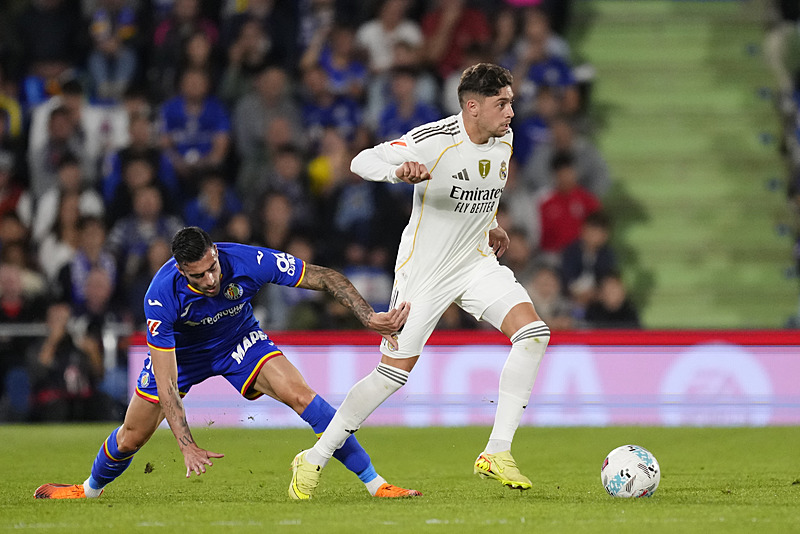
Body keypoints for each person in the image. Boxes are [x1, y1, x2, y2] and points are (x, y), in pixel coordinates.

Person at [289, 63, 551, 498]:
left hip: (475, 262)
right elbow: (360, 161)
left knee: (533, 333)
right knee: (391, 376)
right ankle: (314, 457)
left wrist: (492, 222)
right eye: (501, 103)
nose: (511, 112)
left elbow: (481, 188)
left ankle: (497, 451)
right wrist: (398, 172)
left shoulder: (504, 137)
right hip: (425, 273)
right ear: (472, 107)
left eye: (511, 102)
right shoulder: (435, 141)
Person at [34, 226, 419, 500]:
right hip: (182, 357)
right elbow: (168, 385)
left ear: (215, 252)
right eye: (198, 276)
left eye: (212, 268)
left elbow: (324, 277)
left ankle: (375, 482)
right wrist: (186, 444)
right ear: (181, 270)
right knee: (132, 436)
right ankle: (88, 490)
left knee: (300, 394)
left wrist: (368, 317)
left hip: (238, 340)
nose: (210, 279)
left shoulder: (248, 259)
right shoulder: (160, 296)